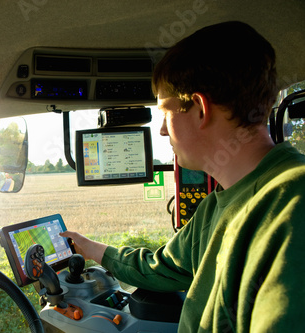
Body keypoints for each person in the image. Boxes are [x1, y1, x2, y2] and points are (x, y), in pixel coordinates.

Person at [61, 21, 305, 332]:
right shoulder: (214, 208)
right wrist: (93, 249)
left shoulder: (293, 205)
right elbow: (163, 268)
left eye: (165, 111)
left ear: (201, 109)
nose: (162, 129)